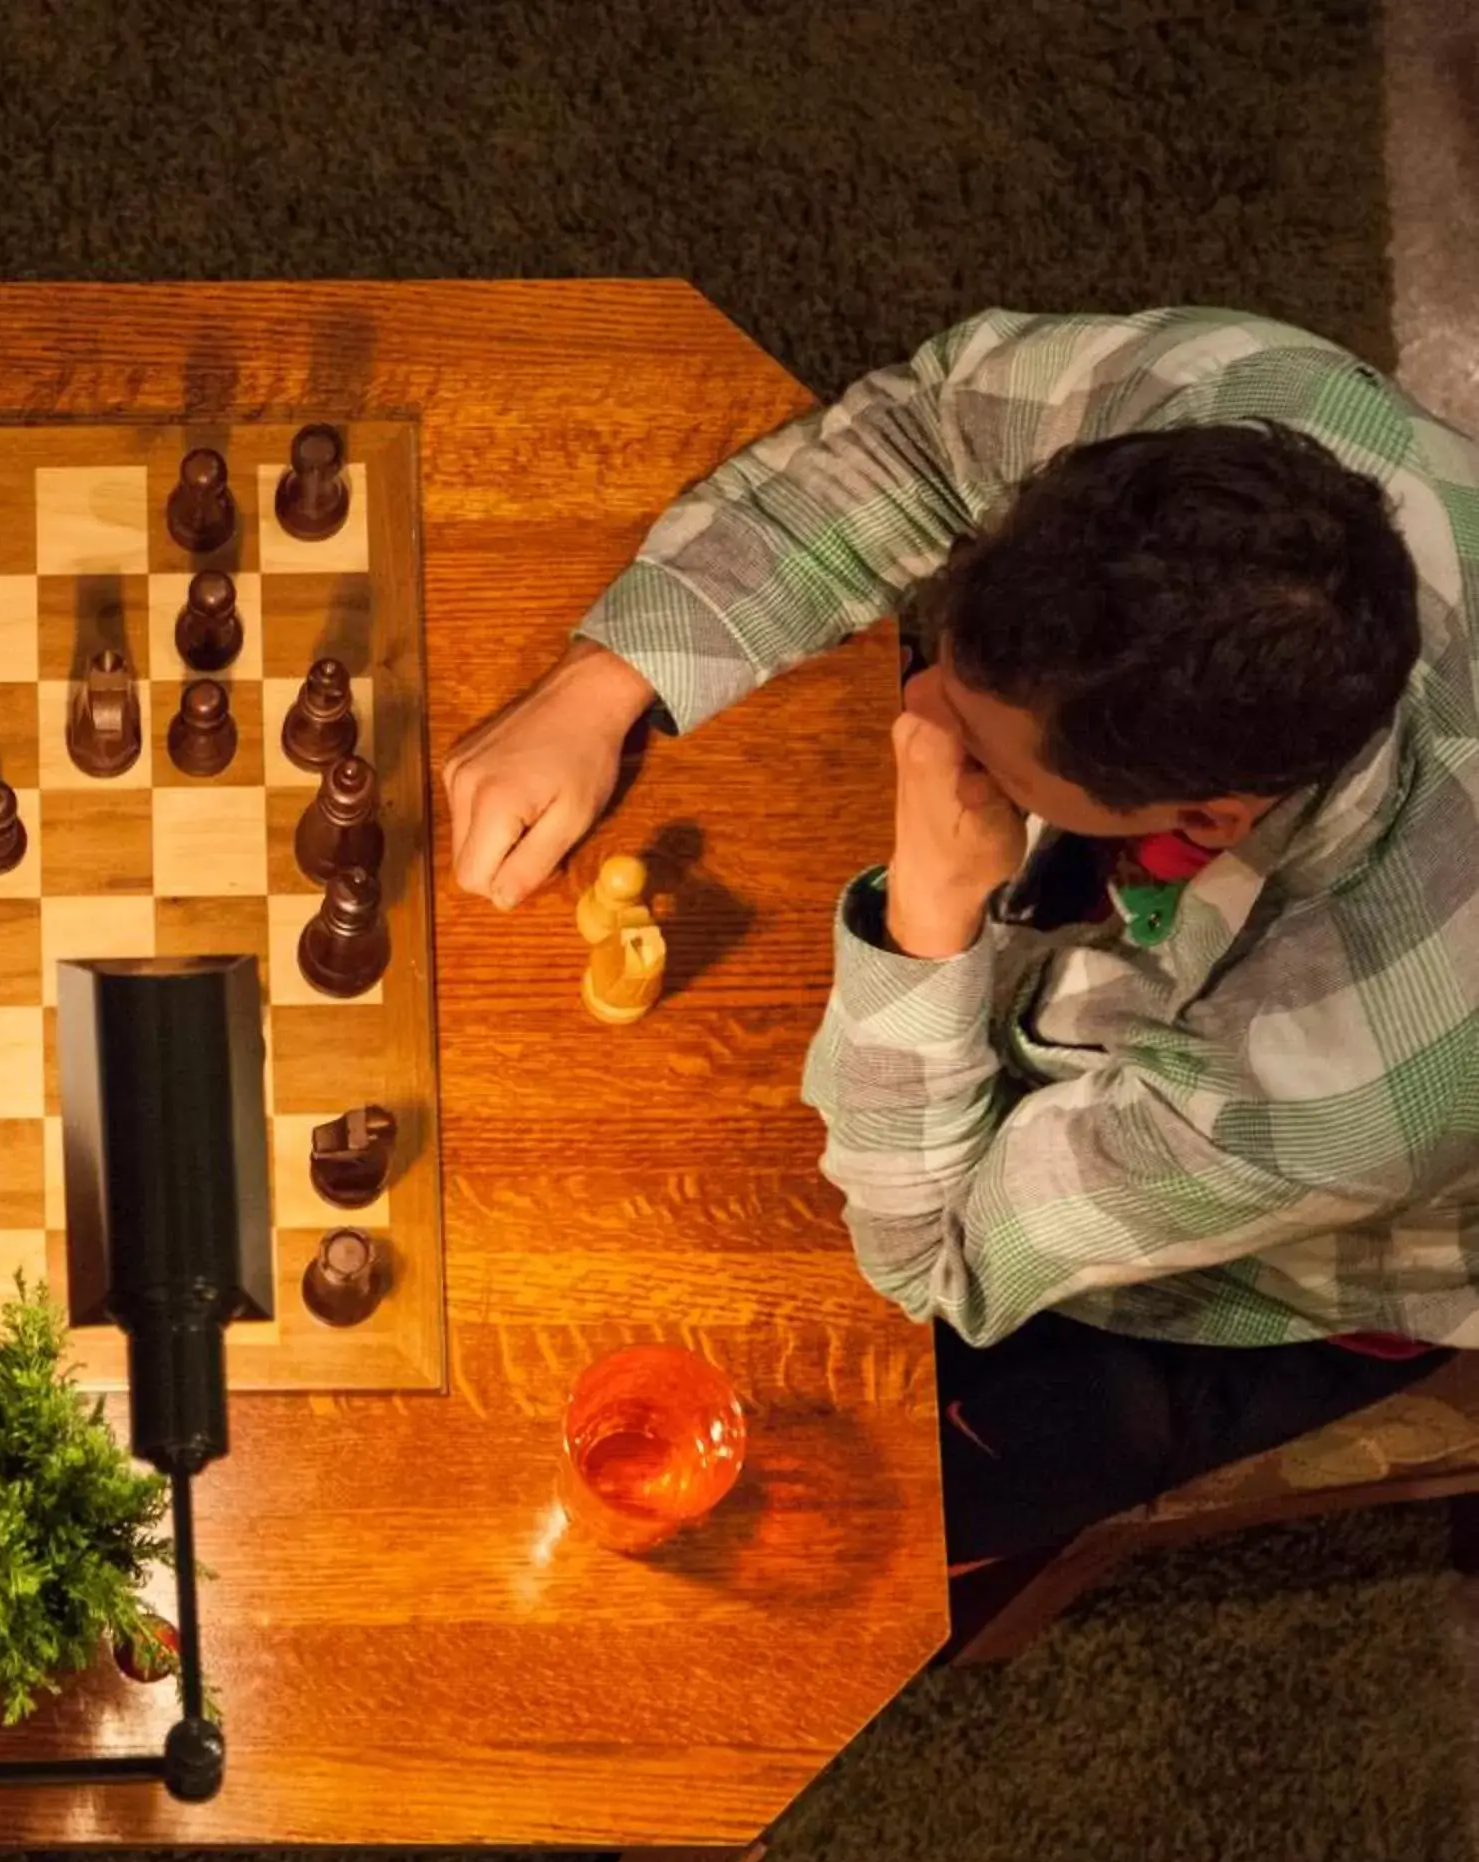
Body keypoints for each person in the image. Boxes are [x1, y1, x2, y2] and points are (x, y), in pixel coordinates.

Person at [443, 309, 1478, 1563]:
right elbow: (920, 440)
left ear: (1205, 817)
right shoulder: (1227, 398)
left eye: (976, 743)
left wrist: (929, 920)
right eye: (943, 654)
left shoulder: (1331, 1079)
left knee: (869, 1505)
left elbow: (936, 1254)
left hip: (1298, 1256)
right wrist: (598, 687)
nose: (914, 716)